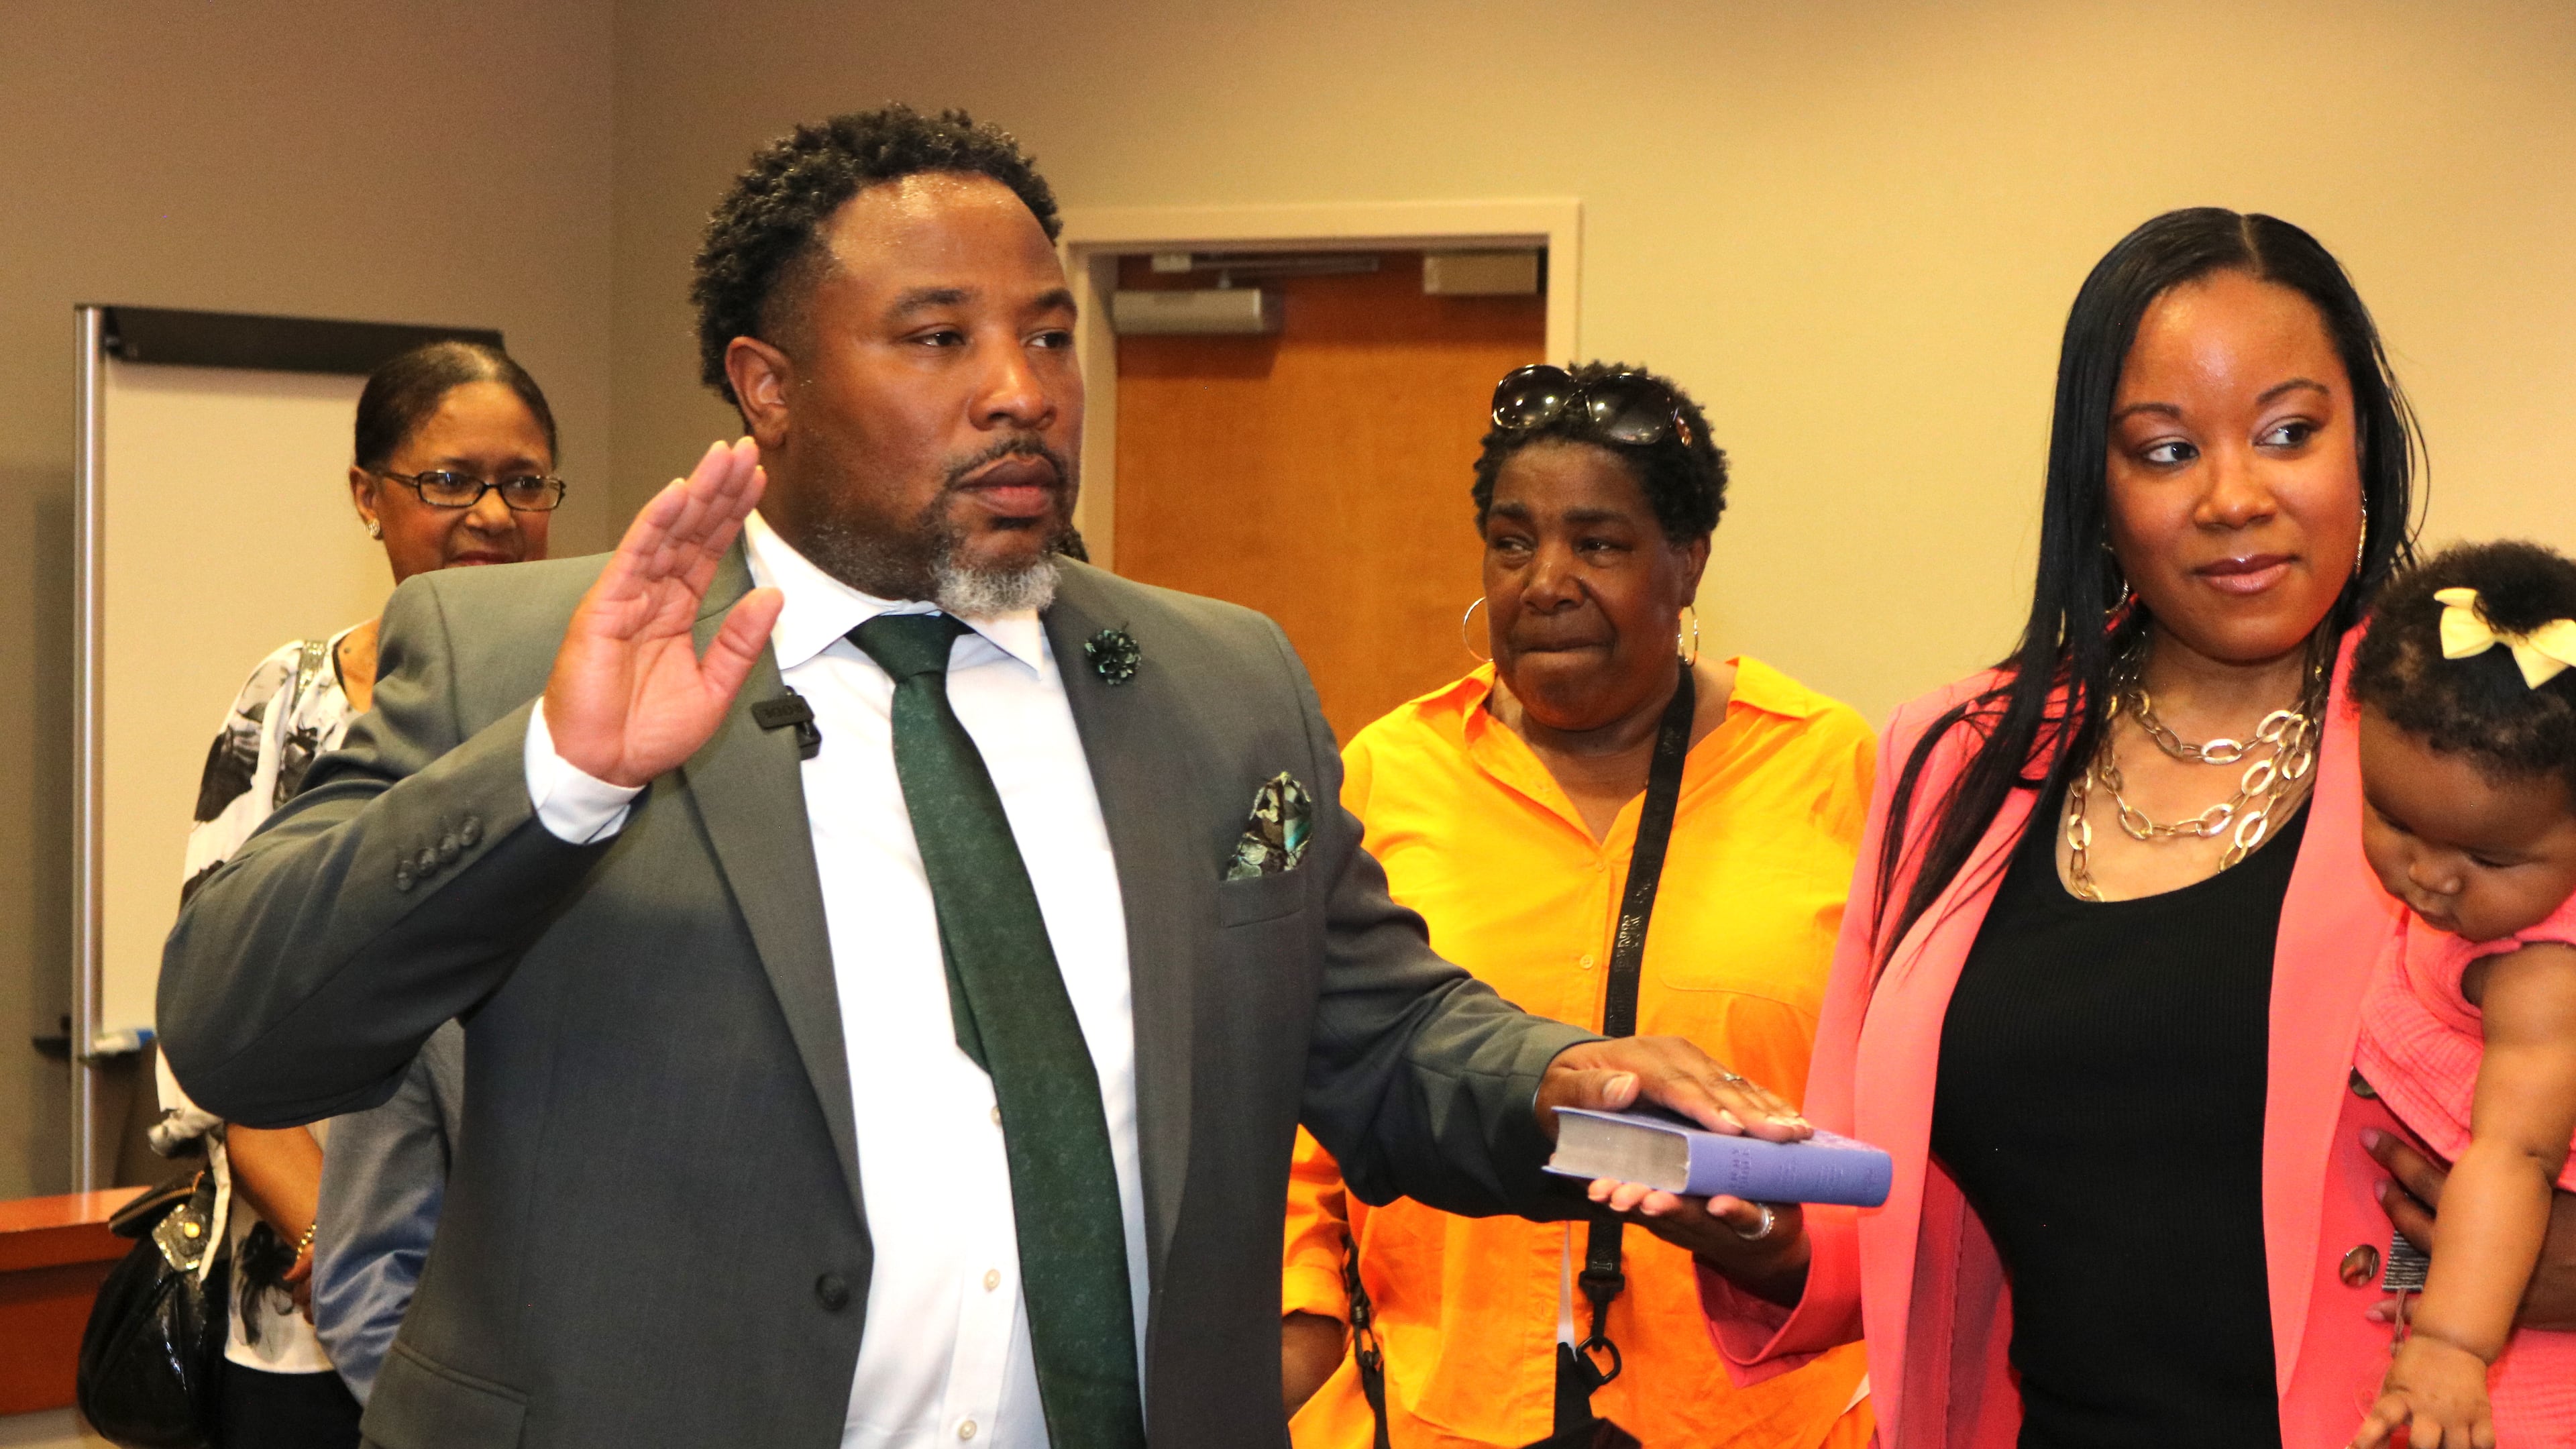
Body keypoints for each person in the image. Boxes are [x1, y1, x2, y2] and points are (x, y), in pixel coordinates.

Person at [154, 106, 1778, 1449]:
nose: (1025, 387)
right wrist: (559, 777)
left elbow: (1380, 1034)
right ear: (768, 386)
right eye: (941, 338)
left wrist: (1571, 1088)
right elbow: (243, 1027)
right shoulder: (517, 654)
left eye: (1049, 333)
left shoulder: (1220, 687)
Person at [1592, 208, 2576, 1447]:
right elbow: (1874, 1207)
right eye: (2166, 451)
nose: (2234, 498)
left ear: (2363, 447)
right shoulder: (1957, 757)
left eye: (2290, 433)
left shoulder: (2498, 742)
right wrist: (1749, 1214)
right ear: (2095, 487)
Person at [1277, 362, 1874, 1447]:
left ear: (1687, 563)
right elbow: (1314, 1094)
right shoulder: (1386, 774)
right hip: (1430, 1409)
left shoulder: (1836, 772)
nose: (1546, 582)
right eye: (1513, 543)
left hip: (1752, 1414)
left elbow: (1898, 1102)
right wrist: (1298, 1333)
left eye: (1597, 545)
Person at [148, 339, 559, 1446]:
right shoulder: (288, 703)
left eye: (524, 482)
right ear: (367, 496)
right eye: (450, 481)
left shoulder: (598, 702)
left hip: (529, 1315)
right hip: (302, 1320)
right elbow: (224, 1018)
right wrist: (344, 1250)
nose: (492, 514)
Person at [2347, 542, 2576, 1449]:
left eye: (2487, 858)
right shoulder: (2486, 894)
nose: (2430, 877)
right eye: (2395, 821)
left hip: (2528, 1345)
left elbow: (2518, 1153)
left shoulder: (2543, 971)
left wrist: (2451, 1344)